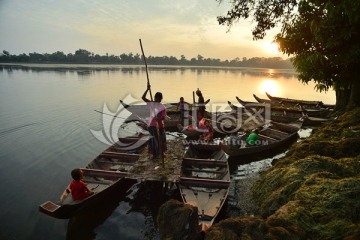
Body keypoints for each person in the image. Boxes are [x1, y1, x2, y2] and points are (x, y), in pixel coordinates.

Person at [142, 84, 167, 159]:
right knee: (153, 141)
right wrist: (147, 89)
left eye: (159, 99)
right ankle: (154, 154)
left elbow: (163, 117)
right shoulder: (151, 104)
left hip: (160, 126)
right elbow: (143, 97)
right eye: (157, 98)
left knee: (161, 140)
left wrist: (158, 119)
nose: (158, 100)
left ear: (161, 99)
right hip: (152, 126)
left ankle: (162, 152)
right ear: (155, 98)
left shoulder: (162, 107)